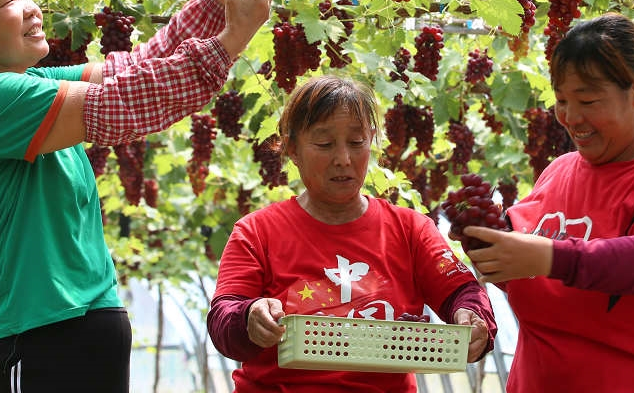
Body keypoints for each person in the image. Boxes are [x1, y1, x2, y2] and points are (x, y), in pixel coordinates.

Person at [0, 0, 274, 393]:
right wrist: (233, 39)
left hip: (83, 329)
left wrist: (216, 1)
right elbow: (124, 102)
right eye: (9, 2)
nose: (33, 9)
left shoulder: (31, 84)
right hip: (23, 340)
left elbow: (138, 66)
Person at [462, 13, 634, 392]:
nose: (571, 117)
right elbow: (526, 270)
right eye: (561, 101)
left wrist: (548, 256)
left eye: (587, 100)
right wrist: (484, 247)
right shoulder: (558, 173)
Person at [208, 75, 497, 393]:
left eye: (357, 143)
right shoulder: (256, 233)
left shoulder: (411, 229)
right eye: (324, 144)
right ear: (292, 148)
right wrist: (249, 316)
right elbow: (224, 316)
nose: (343, 159)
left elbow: (462, 292)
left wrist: (472, 317)